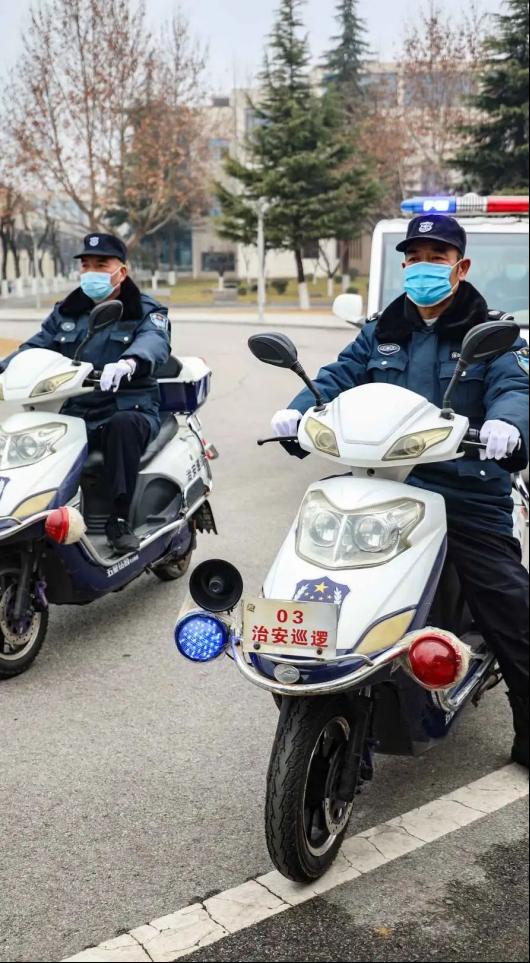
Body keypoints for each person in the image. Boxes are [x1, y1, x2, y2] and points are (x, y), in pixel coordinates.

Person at [272, 214, 530, 768]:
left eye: (437, 258)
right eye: (414, 258)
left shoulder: (490, 333)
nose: (423, 267)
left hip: (464, 489)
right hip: (383, 484)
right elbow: (337, 377)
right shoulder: (381, 331)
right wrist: (297, 411)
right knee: (314, 582)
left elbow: (514, 386)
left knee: (510, 605)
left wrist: (507, 425)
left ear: (460, 267)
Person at [1, 234, 171, 554]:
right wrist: (5, 367)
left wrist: (129, 362)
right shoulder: (68, 310)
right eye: (86, 265)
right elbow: (35, 346)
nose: (91, 272)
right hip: (77, 408)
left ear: (121, 271)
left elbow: (154, 342)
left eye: (101, 265)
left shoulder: (145, 310)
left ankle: (118, 520)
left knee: (123, 426)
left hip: (128, 406)